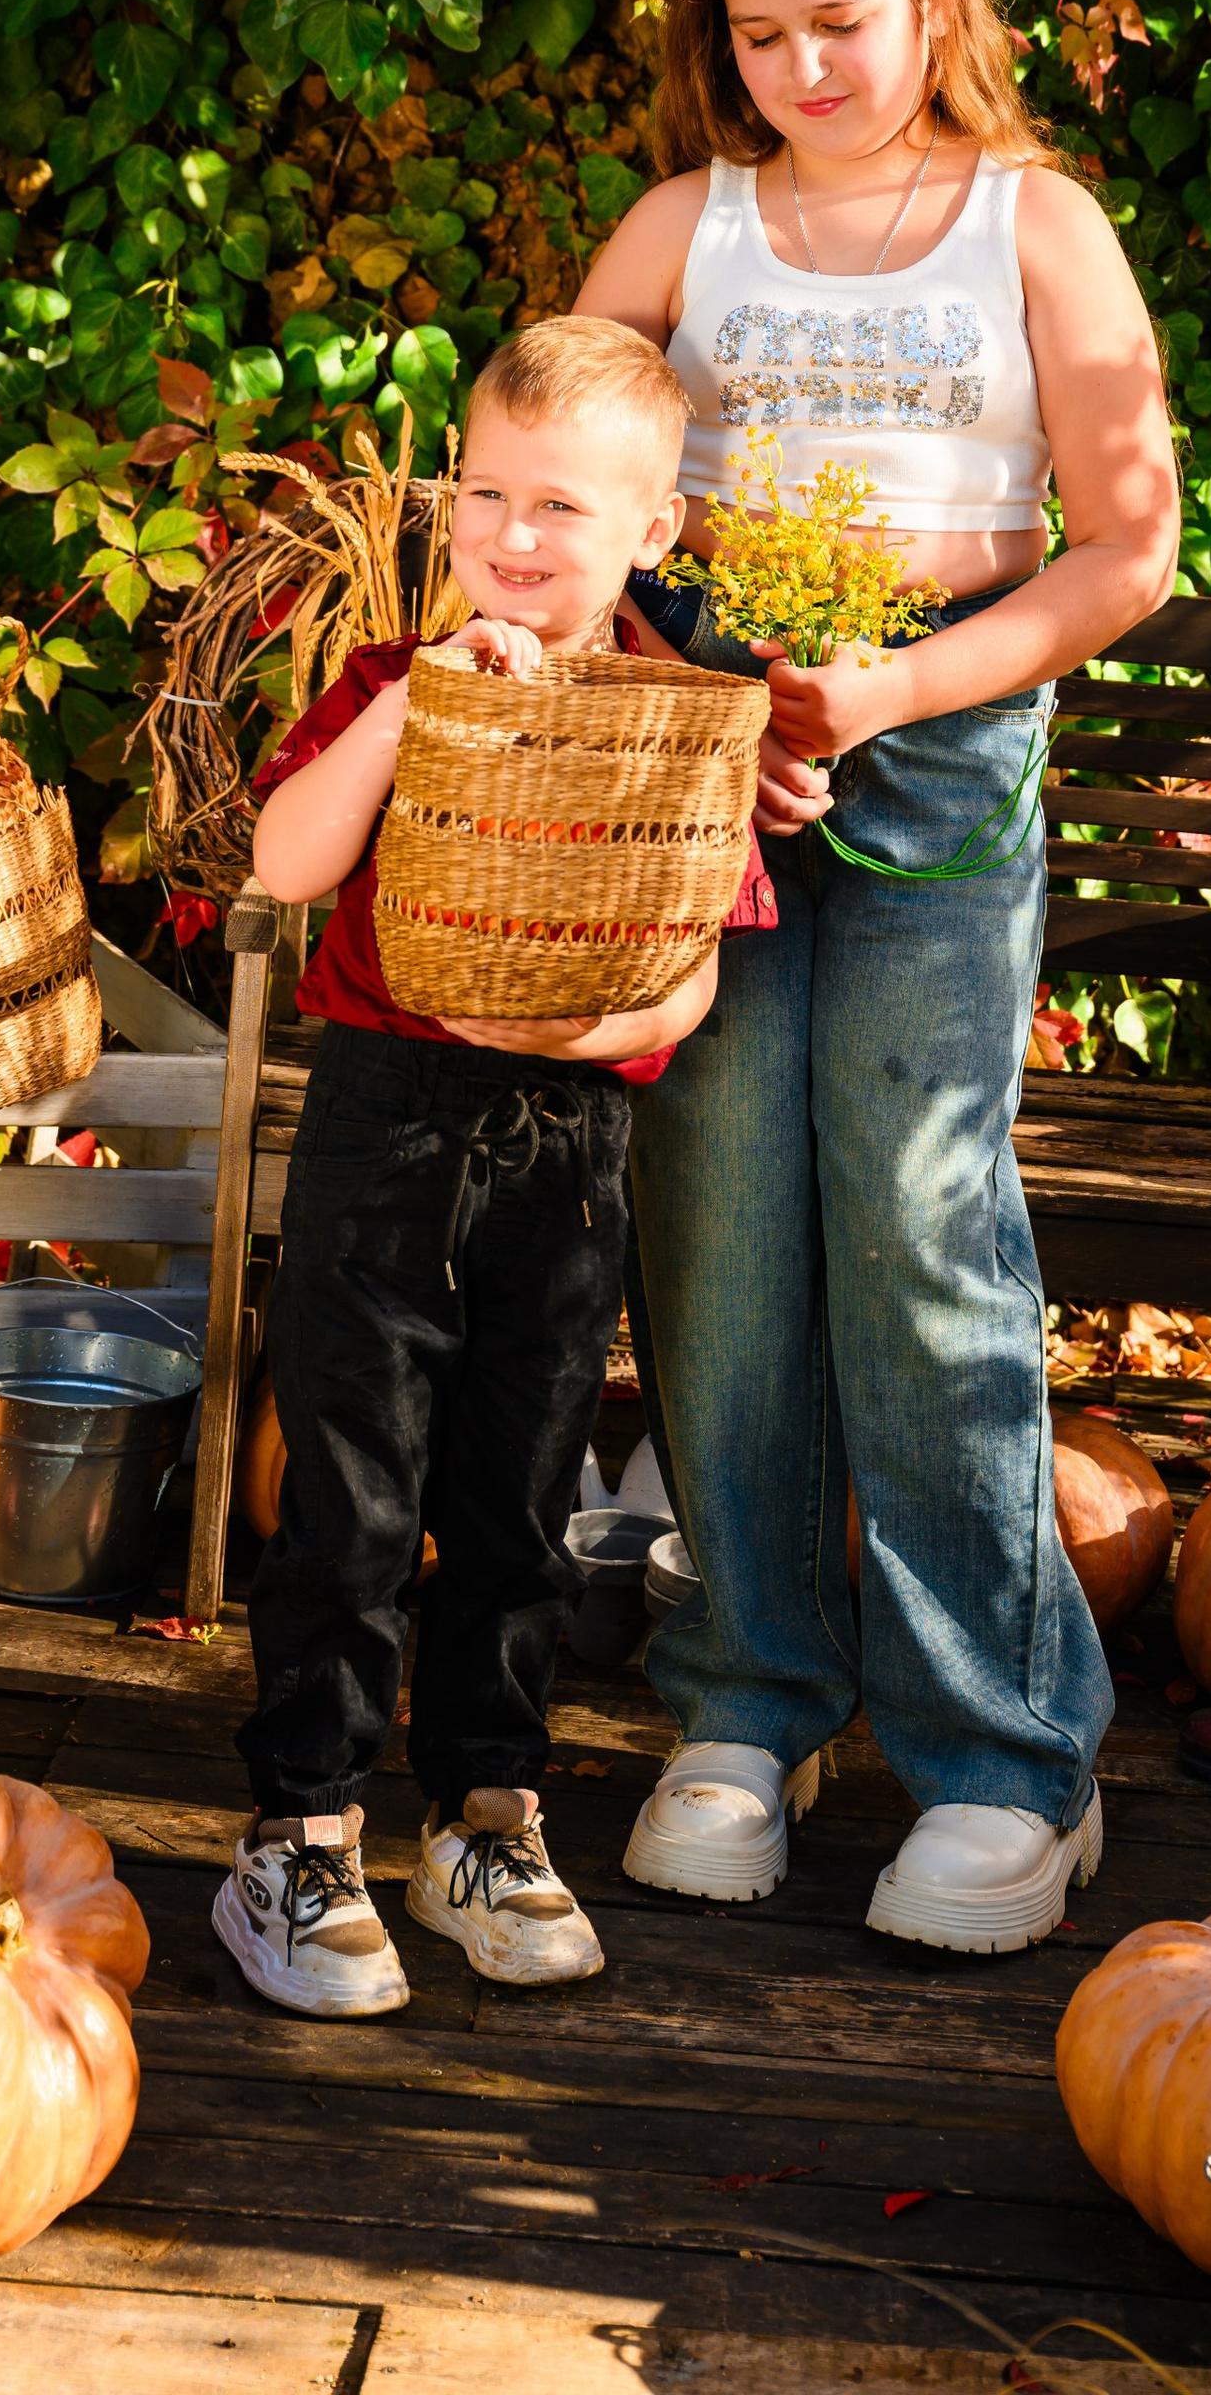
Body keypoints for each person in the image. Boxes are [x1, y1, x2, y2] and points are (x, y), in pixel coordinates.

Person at [574, 0, 1180, 1954]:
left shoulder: (1034, 228)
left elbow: (1126, 545)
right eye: (756, 39)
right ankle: (744, 1703)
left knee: (922, 1239)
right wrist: (704, 686)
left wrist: (893, 676)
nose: (802, 73)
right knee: (720, 1234)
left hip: (934, 772)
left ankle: (1005, 1761)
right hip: (705, 770)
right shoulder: (682, 232)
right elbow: (571, 491)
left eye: (839, 22)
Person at [214, 315, 770, 2017]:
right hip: (389, 1119)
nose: (515, 542)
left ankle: (488, 1813)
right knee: (354, 1492)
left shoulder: (681, 729)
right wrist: (427, 699)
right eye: (485, 498)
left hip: (565, 1136)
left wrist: (593, 1039)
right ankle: (302, 1833)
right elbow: (288, 859)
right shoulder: (397, 687)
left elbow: (692, 962)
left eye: (562, 510)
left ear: (653, 532)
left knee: (522, 1492)